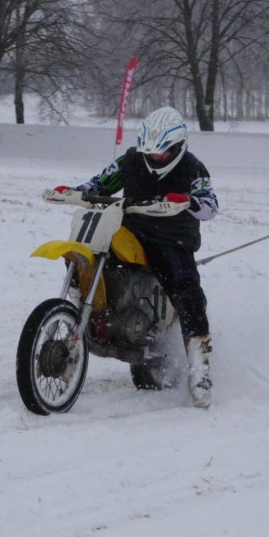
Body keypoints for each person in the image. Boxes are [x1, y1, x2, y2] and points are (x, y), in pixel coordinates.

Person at [53, 106, 219, 407]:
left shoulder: (193, 168)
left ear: (178, 147)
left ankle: (200, 372)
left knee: (187, 292)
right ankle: (83, 307)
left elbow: (210, 206)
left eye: (162, 152)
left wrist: (189, 201)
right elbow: (100, 183)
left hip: (172, 238)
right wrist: (77, 191)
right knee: (87, 247)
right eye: (150, 151)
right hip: (130, 228)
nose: (154, 156)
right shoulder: (131, 159)